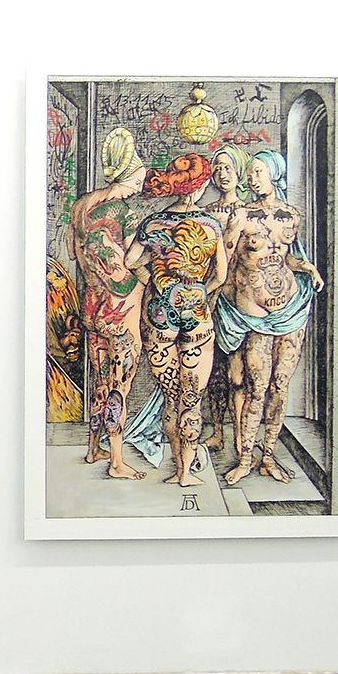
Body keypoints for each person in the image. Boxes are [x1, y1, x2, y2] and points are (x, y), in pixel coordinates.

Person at [217, 150, 324, 484]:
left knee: (279, 386)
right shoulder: (241, 215)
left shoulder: (291, 215)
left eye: (258, 172)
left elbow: (286, 257)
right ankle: (244, 460)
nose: (252, 179)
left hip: (291, 311)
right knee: (257, 387)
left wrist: (308, 268)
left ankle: (268, 457)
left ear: (274, 174)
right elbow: (225, 262)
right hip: (257, 318)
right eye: (250, 173)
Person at [125, 153, 227, 487]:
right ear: (199, 187)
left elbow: (131, 261)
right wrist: (200, 291)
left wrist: (154, 282)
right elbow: (221, 276)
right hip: (197, 317)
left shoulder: (153, 222)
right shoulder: (211, 225)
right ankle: (186, 474)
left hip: (160, 315)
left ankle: (175, 469)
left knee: (172, 397)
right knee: (191, 399)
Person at [67, 127, 150, 479]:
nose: (144, 179)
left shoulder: (81, 205)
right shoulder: (126, 213)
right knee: (119, 385)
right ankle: (116, 461)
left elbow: (74, 251)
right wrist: (151, 272)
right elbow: (129, 263)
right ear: (130, 172)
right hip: (121, 311)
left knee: (99, 377)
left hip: (92, 304)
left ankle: (93, 448)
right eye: (140, 172)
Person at [201, 145, 253, 451]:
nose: (222, 174)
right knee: (214, 372)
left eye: (228, 168)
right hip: (211, 298)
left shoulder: (250, 211)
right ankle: (218, 432)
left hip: (239, 301)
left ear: (239, 172)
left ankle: (240, 439)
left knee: (238, 375)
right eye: (217, 168)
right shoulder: (207, 212)